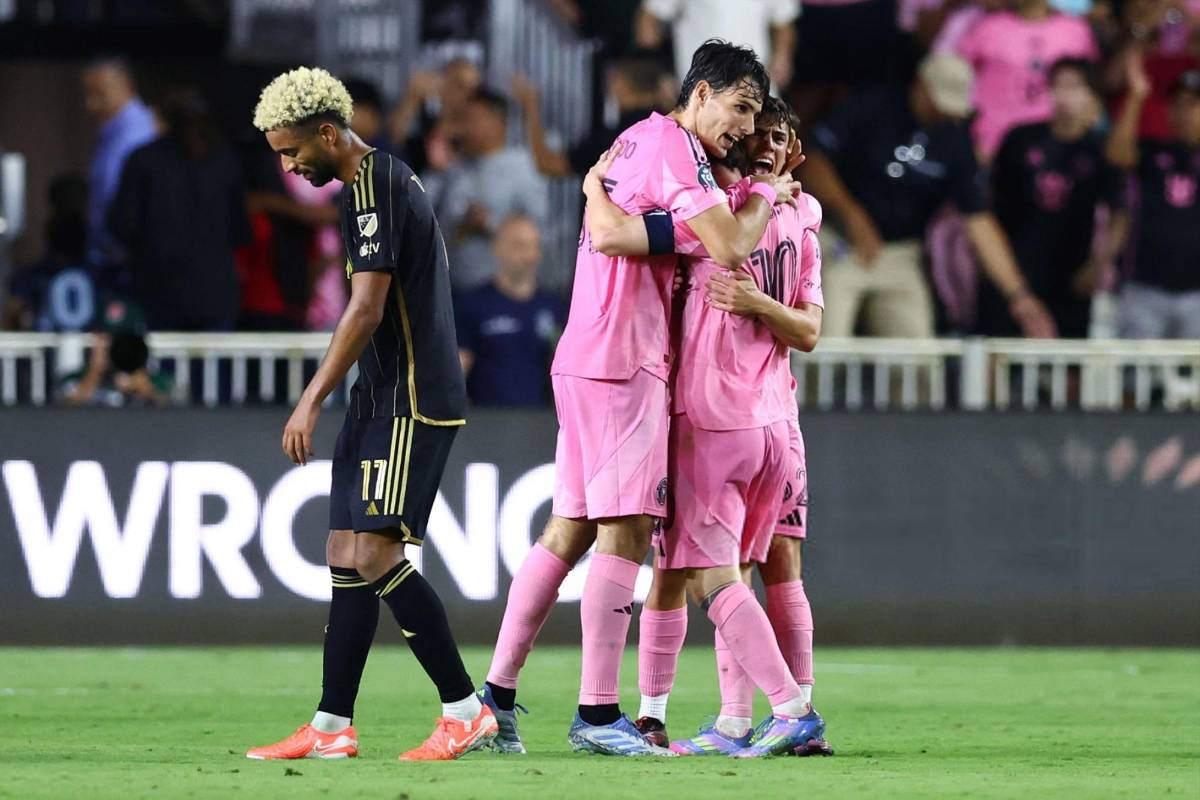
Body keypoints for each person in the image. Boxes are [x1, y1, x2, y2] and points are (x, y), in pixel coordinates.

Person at [478, 39, 799, 757]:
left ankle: (494, 698)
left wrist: (620, 217)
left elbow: (619, 231)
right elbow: (726, 245)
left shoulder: (632, 141)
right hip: (626, 358)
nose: (746, 128)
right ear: (702, 92)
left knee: (569, 531)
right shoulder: (678, 151)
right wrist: (765, 195)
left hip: (585, 352)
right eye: (740, 107)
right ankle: (597, 715)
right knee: (623, 534)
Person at [244, 66, 497, 763]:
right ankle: (331, 726)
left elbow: (367, 307)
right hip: (379, 395)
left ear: (328, 133)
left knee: (379, 551)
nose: (289, 166)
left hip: (412, 400)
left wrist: (309, 397)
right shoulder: (366, 186)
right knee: (343, 555)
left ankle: (465, 711)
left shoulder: (376, 186)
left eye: (292, 151)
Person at [581, 97, 830, 757]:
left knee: (709, 575)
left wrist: (591, 190)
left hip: (713, 415)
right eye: (759, 133)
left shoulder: (718, 211)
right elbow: (808, 327)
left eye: (776, 136)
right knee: (755, 568)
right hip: (776, 420)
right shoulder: (804, 218)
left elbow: (614, 238)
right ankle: (734, 721)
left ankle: (791, 711)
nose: (761, 143)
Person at [801, 53, 1057, 338]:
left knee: (918, 359)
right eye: (940, 102)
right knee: (825, 342)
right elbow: (813, 160)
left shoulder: (957, 141)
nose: (945, 113)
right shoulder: (871, 107)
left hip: (902, 254)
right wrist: (849, 213)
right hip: (840, 244)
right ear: (921, 85)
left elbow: (979, 221)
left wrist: (1019, 296)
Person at [980, 58, 1130, 337]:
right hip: (1015, 267)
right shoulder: (1020, 138)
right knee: (998, 351)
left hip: (1070, 274)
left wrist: (1099, 263)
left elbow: (1121, 211)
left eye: (1074, 86)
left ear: (1092, 95)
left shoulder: (1100, 150)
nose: (1063, 95)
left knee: (1067, 366)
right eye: (1057, 86)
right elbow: (987, 204)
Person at [106, 88, 250, 331]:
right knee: (212, 368)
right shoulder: (224, 162)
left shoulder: (143, 161)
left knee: (164, 368)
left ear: (165, 119)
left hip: (158, 294)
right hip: (215, 295)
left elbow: (121, 225)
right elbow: (241, 231)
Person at [1106, 57, 1200, 338]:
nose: (1183, 112)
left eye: (1193, 104)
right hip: (1144, 287)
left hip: (1198, 292)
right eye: (1177, 104)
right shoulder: (1153, 151)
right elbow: (1117, 155)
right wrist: (1136, 97)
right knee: (1136, 377)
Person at [955, 0, 1099, 161]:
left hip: (1054, 149)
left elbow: (1091, 85)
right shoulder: (987, 27)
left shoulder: (1076, 30)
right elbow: (958, 79)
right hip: (991, 146)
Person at [439, 89, 549, 291]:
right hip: (454, 289)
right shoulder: (456, 167)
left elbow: (539, 228)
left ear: (498, 123)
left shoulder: (523, 168)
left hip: (502, 293)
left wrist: (489, 224)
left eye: (471, 119)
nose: (463, 128)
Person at [454, 214, 565, 407]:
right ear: (497, 248)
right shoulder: (472, 305)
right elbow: (455, 373)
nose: (528, 256)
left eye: (533, 246)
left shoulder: (554, 308)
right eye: (519, 246)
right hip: (486, 424)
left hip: (542, 425)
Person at [513, 58, 667, 179]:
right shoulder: (675, 126)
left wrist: (531, 108)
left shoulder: (618, 139)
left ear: (624, 87)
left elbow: (549, 164)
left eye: (614, 83)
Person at [81, 57, 158, 262]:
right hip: (108, 252)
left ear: (126, 87)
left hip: (130, 256)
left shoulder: (141, 132)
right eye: (89, 94)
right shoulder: (110, 132)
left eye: (100, 94)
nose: (91, 104)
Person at [636, 0, 799, 92]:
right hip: (702, 93)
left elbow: (784, 21)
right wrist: (661, 73)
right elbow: (647, 26)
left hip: (756, 90)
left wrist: (782, 57)